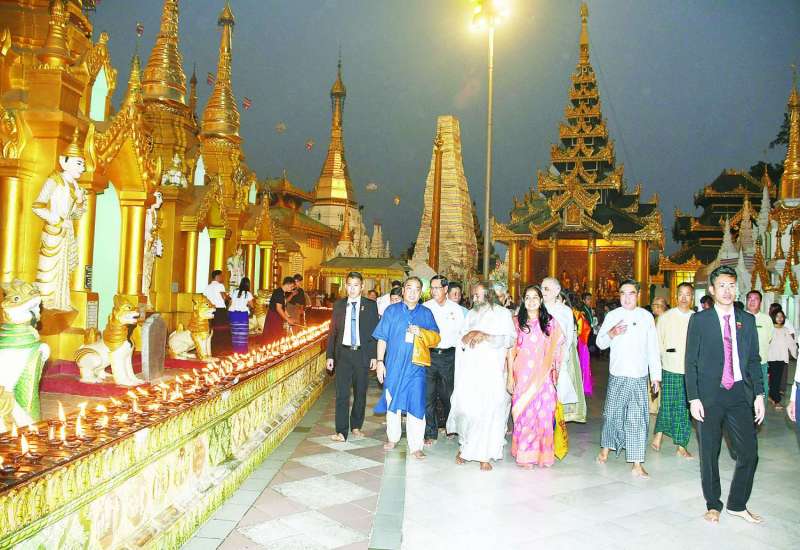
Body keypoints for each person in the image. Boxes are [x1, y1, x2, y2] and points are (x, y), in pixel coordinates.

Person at [685, 265, 765, 524]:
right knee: (709, 452)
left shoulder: (747, 320)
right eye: (722, 286)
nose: (727, 291)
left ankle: (738, 504)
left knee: (749, 453)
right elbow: (690, 361)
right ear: (712, 289)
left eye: (731, 285)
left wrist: (759, 395)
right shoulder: (700, 320)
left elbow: (753, 360)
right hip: (709, 395)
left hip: (739, 394)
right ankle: (713, 503)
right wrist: (693, 398)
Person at [447, 282, 516, 471]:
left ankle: (485, 454)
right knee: (468, 410)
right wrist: (465, 338)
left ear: (489, 295)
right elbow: (460, 338)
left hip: (491, 371)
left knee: (488, 412)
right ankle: (465, 448)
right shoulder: (471, 314)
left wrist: (485, 335)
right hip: (470, 370)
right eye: (474, 295)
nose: (474, 298)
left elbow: (509, 339)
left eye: (478, 295)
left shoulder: (503, 314)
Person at [596, 279, 661, 478]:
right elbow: (600, 344)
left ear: (638, 295)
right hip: (618, 375)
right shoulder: (613, 315)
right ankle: (606, 448)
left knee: (637, 419)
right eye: (623, 293)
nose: (626, 297)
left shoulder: (646, 317)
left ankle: (637, 463)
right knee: (612, 415)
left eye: (631, 293)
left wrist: (655, 377)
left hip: (639, 376)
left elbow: (653, 348)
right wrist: (612, 333)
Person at [374, 277, 439, 459]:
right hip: (393, 366)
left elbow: (436, 338)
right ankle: (393, 438)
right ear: (403, 290)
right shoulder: (391, 311)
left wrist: (421, 332)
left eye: (417, 289)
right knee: (392, 402)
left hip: (416, 368)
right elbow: (382, 338)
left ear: (421, 293)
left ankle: (416, 445)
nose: (412, 292)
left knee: (416, 403)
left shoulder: (426, 313)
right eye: (409, 288)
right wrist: (380, 362)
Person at [508, 285, 564, 468]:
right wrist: (510, 377)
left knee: (544, 415)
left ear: (541, 301)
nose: (531, 301)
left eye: (535, 297)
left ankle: (542, 454)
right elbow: (510, 352)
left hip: (544, 377)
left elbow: (558, 347)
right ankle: (525, 455)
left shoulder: (550, 323)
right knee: (525, 415)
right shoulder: (516, 322)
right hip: (523, 376)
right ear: (523, 301)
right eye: (528, 297)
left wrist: (554, 371)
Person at [32, 131, 87, 312]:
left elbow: (77, 215)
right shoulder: (54, 179)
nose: (82, 169)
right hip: (53, 230)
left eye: (83, 165)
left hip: (67, 231)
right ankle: (44, 303)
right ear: (64, 161)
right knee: (48, 269)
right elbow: (37, 206)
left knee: (63, 271)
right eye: (78, 163)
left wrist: (80, 201)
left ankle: (60, 301)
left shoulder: (77, 187)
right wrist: (55, 219)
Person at [326, 272, 379, 441]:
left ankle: (356, 426)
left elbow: (374, 333)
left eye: (356, 285)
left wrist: (374, 356)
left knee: (360, 393)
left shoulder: (370, 306)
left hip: (362, 354)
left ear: (362, 287)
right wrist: (330, 356)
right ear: (345, 286)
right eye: (349, 285)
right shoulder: (339, 305)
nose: (352, 289)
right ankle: (341, 431)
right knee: (342, 394)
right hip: (343, 354)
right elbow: (332, 332)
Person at [652, 282, 694, 458]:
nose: (684, 298)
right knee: (667, 404)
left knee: (685, 408)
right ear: (676, 296)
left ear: (692, 297)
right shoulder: (666, 317)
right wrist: (657, 369)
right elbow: (657, 344)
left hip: (690, 370)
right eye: (681, 294)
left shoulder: (696, 318)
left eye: (687, 294)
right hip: (669, 367)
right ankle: (659, 434)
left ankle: (681, 444)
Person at [422, 275, 464, 446]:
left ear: (446, 289)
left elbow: (461, 335)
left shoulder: (456, 309)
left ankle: (449, 426)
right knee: (428, 396)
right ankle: (430, 432)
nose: (434, 291)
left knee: (448, 395)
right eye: (431, 288)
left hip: (449, 356)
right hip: (429, 355)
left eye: (437, 288)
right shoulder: (425, 307)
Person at [542, 280, 585, 423]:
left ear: (557, 291)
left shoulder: (565, 311)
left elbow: (569, 336)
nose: (543, 291)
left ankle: (554, 427)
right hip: (538, 359)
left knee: (556, 395)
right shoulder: (537, 307)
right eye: (542, 288)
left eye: (547, 288)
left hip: (558, 359)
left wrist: (563, 358)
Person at [745, 290, 774, 407]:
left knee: (762, 390)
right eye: (750, 299)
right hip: (743, 364)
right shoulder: (739, 317)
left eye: (755, 299)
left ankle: (760, 413)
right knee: (744, 392)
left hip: (761, 363)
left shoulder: (766, 319)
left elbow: (769, 339)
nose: (752, 302)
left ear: (760, 302)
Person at [767, 309, 795, 410]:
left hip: (782, 358)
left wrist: (796, 354)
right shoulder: (770, 329)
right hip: (771, 357)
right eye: (777, 316)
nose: (780, 318)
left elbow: (791, 343)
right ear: (773, 317)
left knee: (776, 379)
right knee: (775, 379)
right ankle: (776, 400)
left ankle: (772, 396)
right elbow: (765, 341)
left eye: (781, 316)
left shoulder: (785, 330)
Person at [261, 276, 295, 344]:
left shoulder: (282, 292)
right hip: (274, 316)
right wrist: (288, 320)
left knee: (277, 335)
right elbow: (278, 308)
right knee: (272, 336)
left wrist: (289, 317)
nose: (292, 289)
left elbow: (283, 308)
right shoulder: (279, 292)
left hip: (277, 316)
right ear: (287, 284)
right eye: (291, 286)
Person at [204, 270, 230, 351]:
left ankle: (212, 347)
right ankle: (221, 347)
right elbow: (224, 297)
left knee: (212, 329)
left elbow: (205, 299)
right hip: (220, 309)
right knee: (222, 329)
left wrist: (212, 304)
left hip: (211, 310)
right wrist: (228, 297)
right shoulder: (220, 285)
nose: (222, 278)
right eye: (221, 276)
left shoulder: (208, 286)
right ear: (217, 276)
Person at [572, 294, 592, 397]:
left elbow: (581, 330)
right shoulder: (578, 313)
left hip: (578, 342)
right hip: (578, 342)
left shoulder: (578, 314)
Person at [228, 277, 254, 353]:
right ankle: (242, 351)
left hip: (233, 314)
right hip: (242, 315)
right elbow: (252, 305)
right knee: (242, 334)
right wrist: (247, 305)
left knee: (235, 333)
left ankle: (235, 350)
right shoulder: (248, 294)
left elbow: (230, 303)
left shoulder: (234, 291)